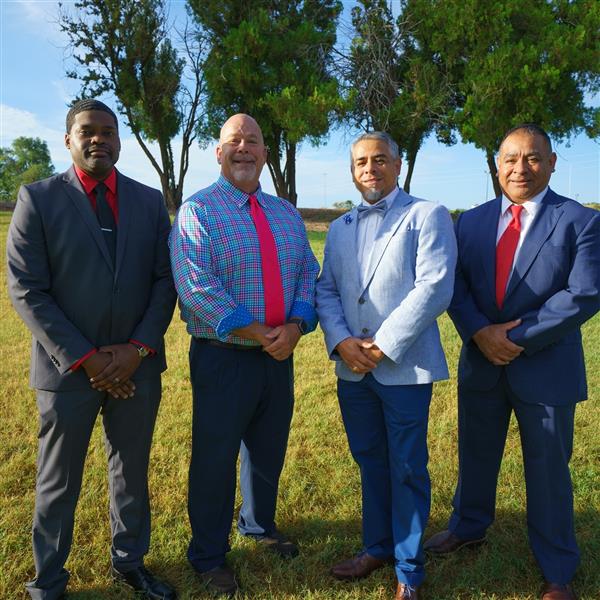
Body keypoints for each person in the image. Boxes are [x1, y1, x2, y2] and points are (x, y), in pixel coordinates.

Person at [6, 99, 177, 600]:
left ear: (120, 140)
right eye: (87, 131)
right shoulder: (37, 199)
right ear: (68, 140)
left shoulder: (148, 202)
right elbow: (27, 289)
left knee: (132, 470)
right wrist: (89, 358)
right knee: (58, 480)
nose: (98, 139)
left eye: (108, 131)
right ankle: (49, 580)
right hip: (68, 373)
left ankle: (130, 562)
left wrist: (139, 348)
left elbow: (165, 281)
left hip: (137, 368)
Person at [423, 124, 600, 600]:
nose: (520, 168)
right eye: (511, 159)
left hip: (545, 366)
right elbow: (454, 285)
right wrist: (480, 332)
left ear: (553, 162)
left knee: (548, 468)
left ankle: (557, 567)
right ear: (496, 164)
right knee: (476, 452)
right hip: (481, 360)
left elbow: (583, 294)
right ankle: (468, 525)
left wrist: (514, 338)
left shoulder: (580, 221)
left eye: (533, 158)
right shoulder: (471, 220)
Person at [169, 113, 320, 597]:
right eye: (233, 140)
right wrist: (258, 331)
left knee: (267, 449)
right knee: (214, 457)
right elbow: (196, 288)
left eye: (252, 140)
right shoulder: (198, 212)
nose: (243, 148)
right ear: (217, 152)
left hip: (279, 355)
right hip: (224, 357)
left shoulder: (286, 213)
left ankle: (258, 526)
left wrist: (295, 326)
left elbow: (307, 273)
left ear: (264, 154)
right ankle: (208, 555)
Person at [315, 131, 457, 600]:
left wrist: (380, 346)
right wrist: (340, 342)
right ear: (353, 171)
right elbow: (327, 290)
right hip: (351, 370)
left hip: (403, 368)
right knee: (369, 461)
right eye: (360, 163)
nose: (369, 169)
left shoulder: (426, 215)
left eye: (379, 160)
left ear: (398, 166)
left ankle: (409, 570)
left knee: (407, 466)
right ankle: (375, 547)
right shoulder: (339, 228)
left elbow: (433, 286)